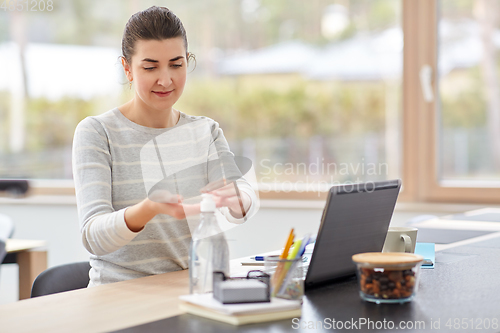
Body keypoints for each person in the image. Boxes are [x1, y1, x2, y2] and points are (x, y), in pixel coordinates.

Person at [72, 6, 259, 287]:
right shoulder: (98, 133)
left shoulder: (204, 131)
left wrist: (237, 198)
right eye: (150, 67)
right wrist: (149, 207)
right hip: (119, 295)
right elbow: (93, 237)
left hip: (187, 287)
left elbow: (245, 196)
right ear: (127, 68)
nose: (165, 80)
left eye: (176, 64)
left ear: (188, 61)